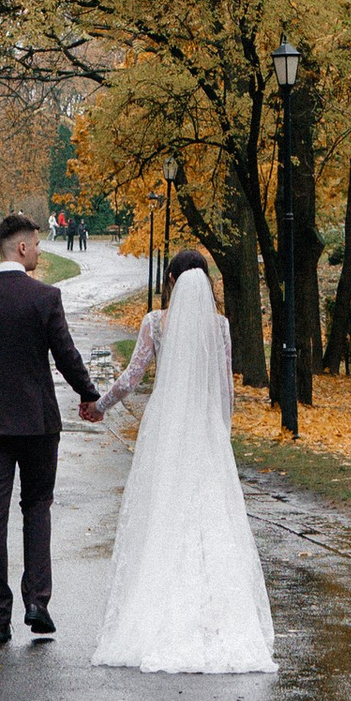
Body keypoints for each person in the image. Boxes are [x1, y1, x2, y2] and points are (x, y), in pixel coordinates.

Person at [92, 249, 275, 676]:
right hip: (206, 429)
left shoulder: (156, 323)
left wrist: (99, 406)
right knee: (211, 516)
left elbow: (132, 378)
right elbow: (226, 388)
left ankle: (158, 609)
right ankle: (218, 614)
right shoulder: (222, 327)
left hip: (167, 429)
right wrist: (221, 431)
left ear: (172, 280)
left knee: (165, 514)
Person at [0, 212, 101, 646]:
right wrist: (89, 396)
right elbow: (66, 355)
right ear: (20, 248)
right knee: (37, 509)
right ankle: (38, 602)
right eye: (36, 243)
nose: (39, 250)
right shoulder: (44, 298)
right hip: (37, 424)